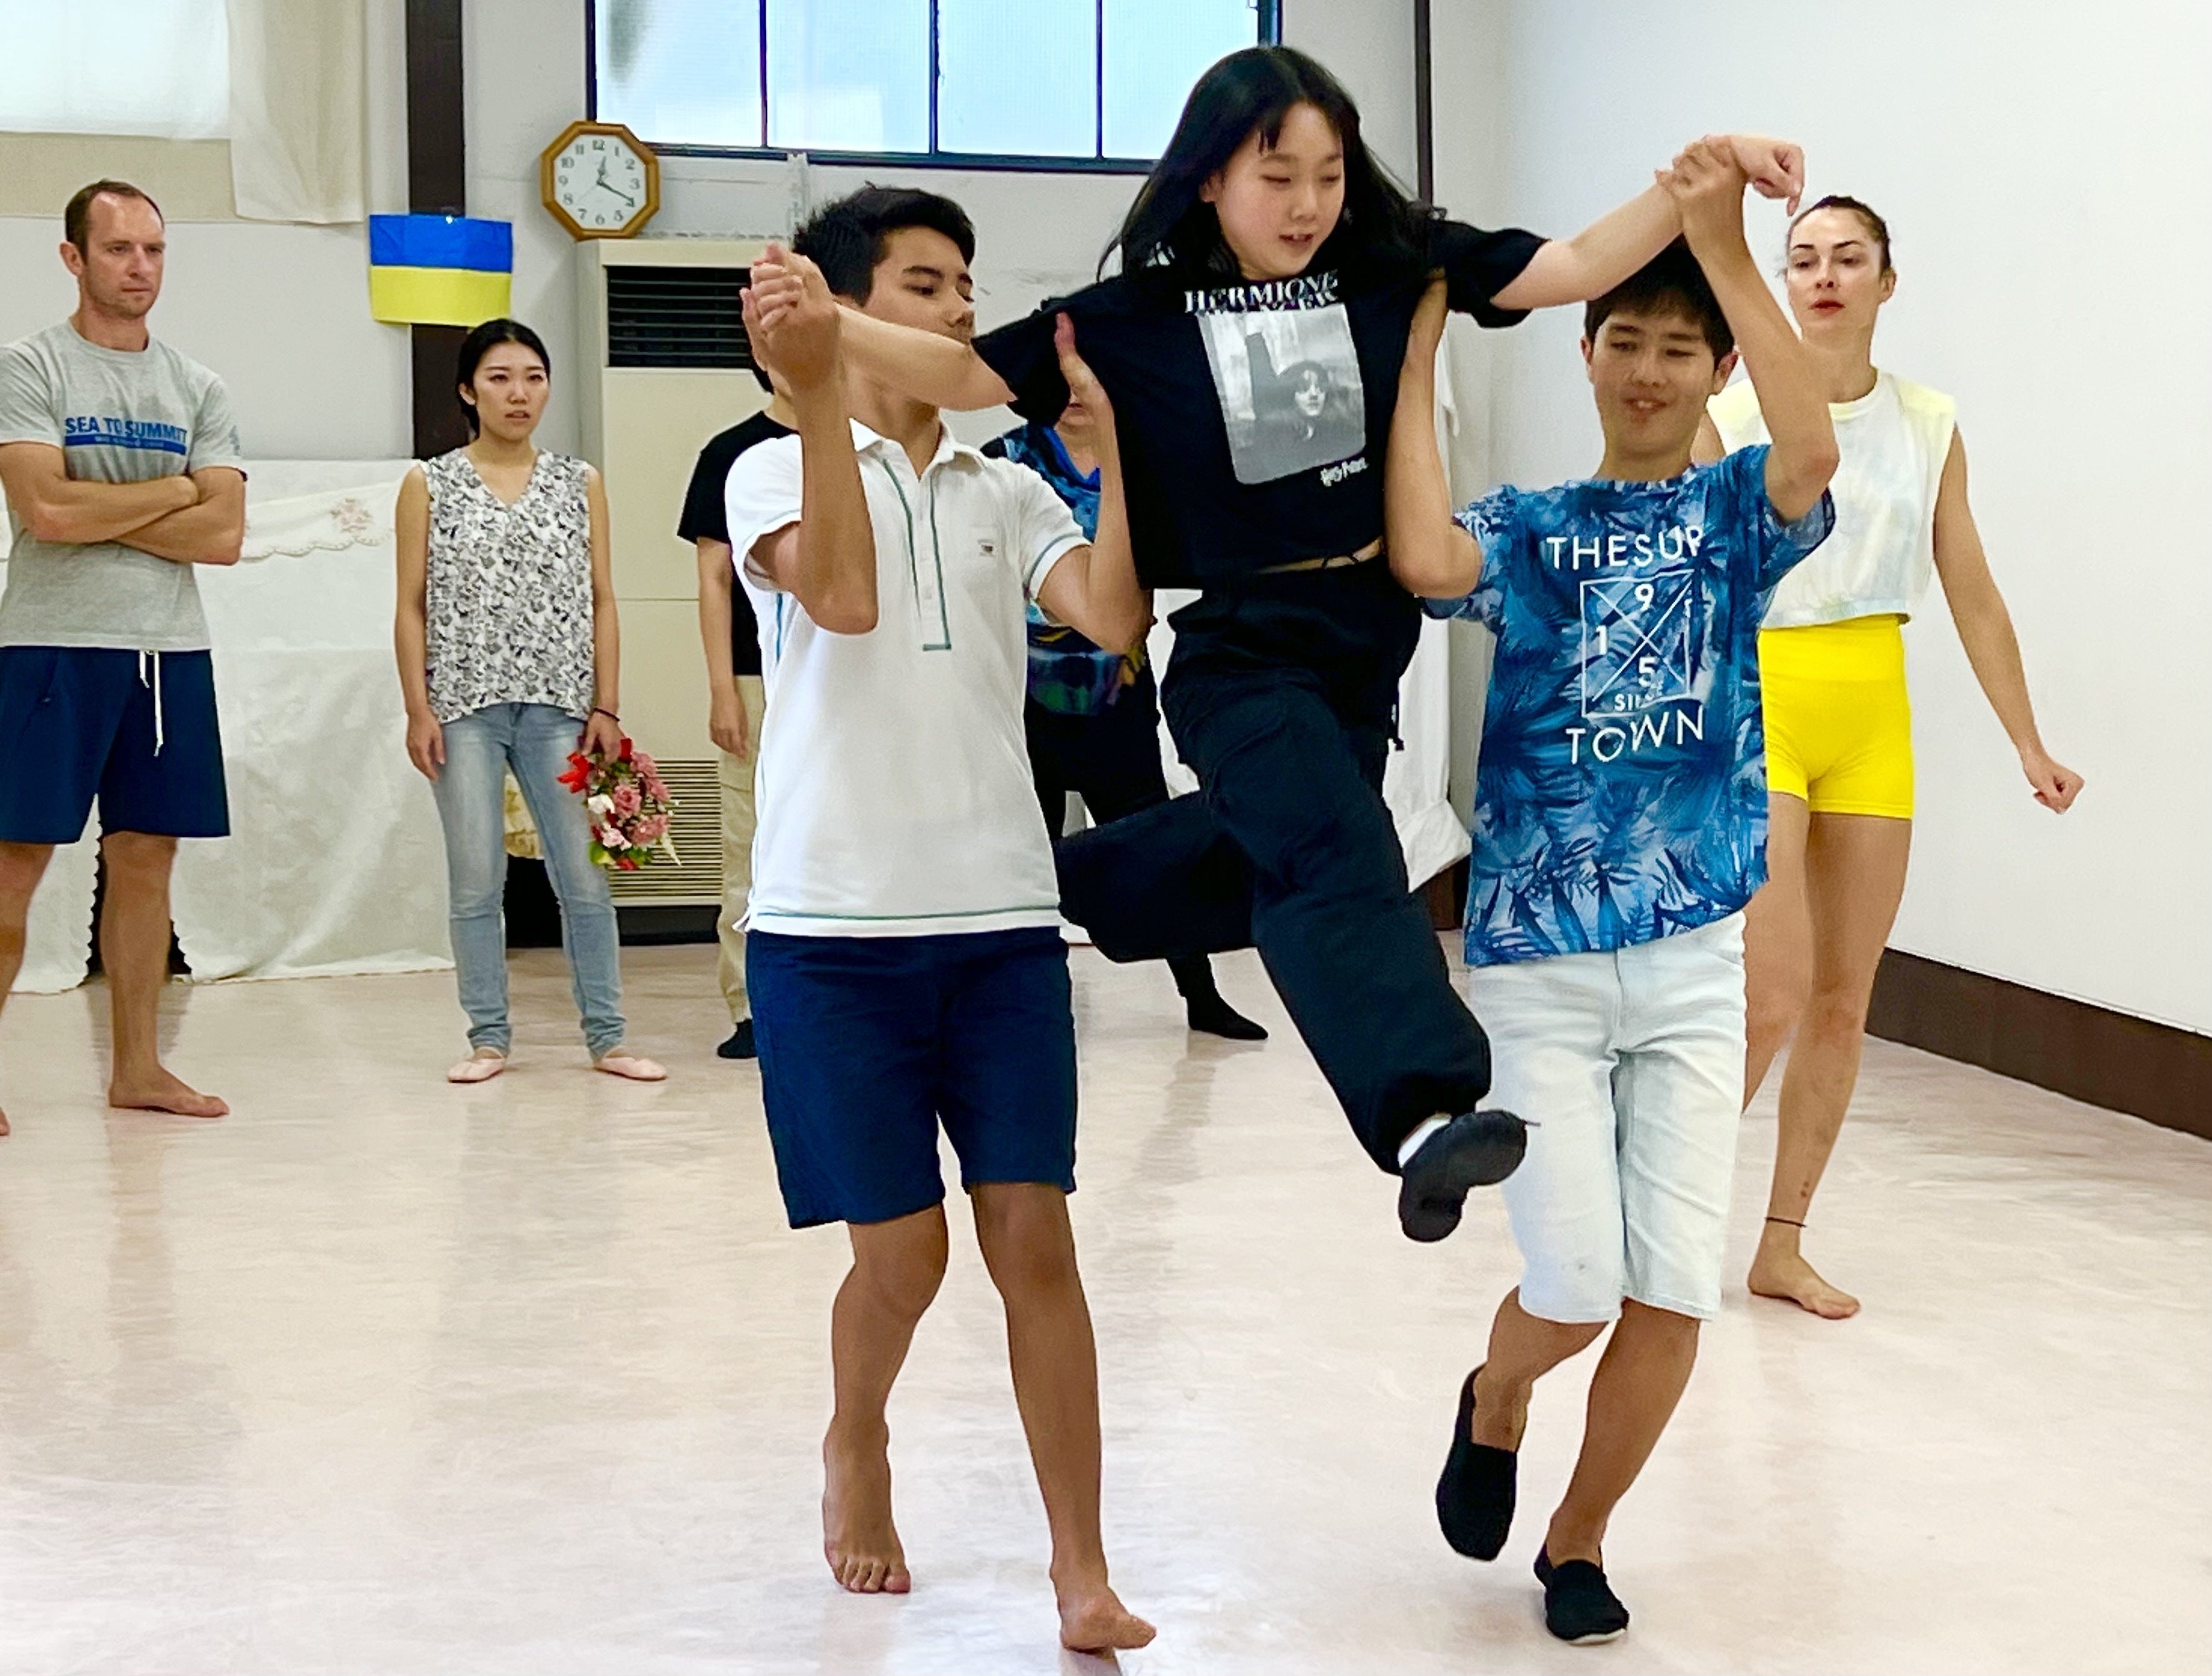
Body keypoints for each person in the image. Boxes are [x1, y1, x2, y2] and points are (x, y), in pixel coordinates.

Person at [748, 45, 1806, 1242]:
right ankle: (1426, 1110)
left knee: (1291, 857)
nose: (1307, 205)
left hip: (1361, 648)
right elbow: (964, 371)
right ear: (1208, 179)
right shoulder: (1139, 318)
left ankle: (1083, 885)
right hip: (1239, 648)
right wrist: (827, 330)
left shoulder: (1391, 267)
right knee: (1333, 854)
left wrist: (1696, 180)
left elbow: (1567, 267)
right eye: (1275, 176)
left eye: (1327, 175)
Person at [1390, 144, 1838, 1644]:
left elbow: (1807, 447)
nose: (1647, 370)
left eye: (1676, 350)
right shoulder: (1526, 527)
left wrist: (1723, 249)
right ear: (1584, 354)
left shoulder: (1731, 514)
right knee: (1576, 1284)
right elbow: (1418, 555)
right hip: (1540, 962)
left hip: (1694, 959)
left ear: (1712, 369)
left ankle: (1575, 1538)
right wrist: (1418, 346)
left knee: (1671, 1292)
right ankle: (1496, 1390)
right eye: (1624, 341)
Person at [727, 187, 1153, 1653]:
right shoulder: (764, 470)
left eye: (967, 284)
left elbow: (1114, 618)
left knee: (1035, 1239)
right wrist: (816, 398)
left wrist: (1120, 449)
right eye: (927, 284)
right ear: (852, 309)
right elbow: (843, 597)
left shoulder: (1006, 488)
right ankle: (856, 1434)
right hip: (828, 934)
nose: (964, 309)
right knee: (902, 1258)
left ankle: (1079, 1567)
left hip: (1001, 925)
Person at [1696, 196, 2083, 1318]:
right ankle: (1648, 1216)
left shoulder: (1927, 422)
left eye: (1846, 258)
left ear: (1885, 280)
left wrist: (2026, 740)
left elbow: (1970, 588)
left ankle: (1779, 1245)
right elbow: (1693, 580)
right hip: (1762, 697)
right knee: (1767, 992)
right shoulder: (1730, 412)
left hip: (1872, 704)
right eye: (1802, 259)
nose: (1822, 276)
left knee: (1839, 1000)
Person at [0, 179, 247, 1138]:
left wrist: (100, 507)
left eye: (153, 249)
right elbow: (44, 511)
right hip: (51, 647)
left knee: (146, 858)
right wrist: (176, 489)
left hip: (166, 652)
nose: (139, 267)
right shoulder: (30, 368)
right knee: (16, 860)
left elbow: (223, 535)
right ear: (74, 257)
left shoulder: (198, 387)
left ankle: (139, 1068)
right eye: (118, 249)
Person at [393, 318, 666, 1086]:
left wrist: (607, 705)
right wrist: (418, 707)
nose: (519, 393)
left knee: (584, 878)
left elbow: (603, 596)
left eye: (534, 377)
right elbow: (410, 604)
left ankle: (608, 1036)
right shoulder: (429, 483)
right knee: (476, 879)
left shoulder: (580, 481)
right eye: (500, 377)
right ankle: (488, 1037)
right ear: (467, 390)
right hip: (463, 705)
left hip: (561, 706)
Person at [983, 400, 1267, 1041]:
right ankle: (1031, 1001)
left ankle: (1201, 995)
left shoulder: (1137, 459)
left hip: (1118, 697)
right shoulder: (1003, 463)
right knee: (1026, 861)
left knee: (1156, 853)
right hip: (1022, 700)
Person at [679, 359, 793, 1061]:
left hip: (840, 670)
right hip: (755, 674)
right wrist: (722, 687)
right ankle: (749, 1004)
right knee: (747, 840)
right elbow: (715, 579)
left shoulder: (860, 439)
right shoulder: (730, 452)